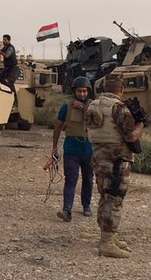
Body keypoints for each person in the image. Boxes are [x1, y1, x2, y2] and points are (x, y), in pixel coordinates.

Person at [86, 74, 144, 258]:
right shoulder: (118, 107)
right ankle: (107, 243)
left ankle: (107, 236)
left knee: (105, 196)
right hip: (116, 159)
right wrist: (140, 126)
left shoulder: (94, 104)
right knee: (115, 198)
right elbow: (131, 136)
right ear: (121, 89)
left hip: (98, 156)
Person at [51, 76, 93, 222]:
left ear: (88, 91)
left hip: (89, 150)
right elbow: (57, 127)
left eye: (84, 91)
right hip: (71, 150)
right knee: (70, 180)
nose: (82, 94)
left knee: (88, 179)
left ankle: (86, 205)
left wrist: (83, 108)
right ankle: (67, 210)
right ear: (74, 91)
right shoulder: (66, 107)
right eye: (79, 91)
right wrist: (54, 147)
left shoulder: (93, 106)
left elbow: (99, 121)